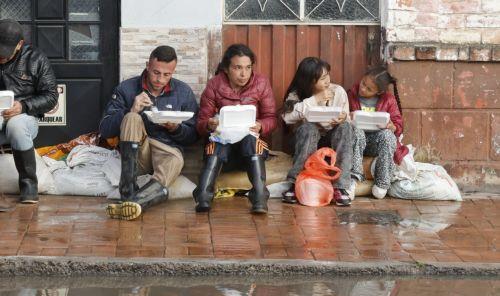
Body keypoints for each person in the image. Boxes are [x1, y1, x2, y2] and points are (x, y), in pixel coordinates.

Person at [99, 45, 198, 220]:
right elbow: (105, 129)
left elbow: (193, 136)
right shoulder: (127, 88)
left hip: (167, 150)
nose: (160, 79)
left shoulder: (183, 92)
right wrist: (132, 109)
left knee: (176, 159)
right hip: (139, 151)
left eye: (167, 75)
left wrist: (176, 128)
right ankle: (127, 190)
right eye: (156, 72)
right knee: (131, 118)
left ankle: (135, 203)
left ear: (173, 72)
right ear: (147, 65)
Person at [193, 44, 277, 214]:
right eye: (238, 68)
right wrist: (209, 124)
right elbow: (201, 122)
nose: (243, 74)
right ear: (226, 68)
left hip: (251, 151)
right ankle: (203, 197)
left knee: (251, 140)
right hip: (224, 153)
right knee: (218, 142)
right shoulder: (214, 85)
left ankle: (260, 197)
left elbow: (271, 117)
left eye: (247, 68)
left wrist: (261, 125)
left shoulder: (261, 83)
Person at [0, 19, 58, 204]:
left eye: (6, 53)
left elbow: (51, 96)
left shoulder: (36, 58)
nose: (2, 57)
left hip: (24, 117)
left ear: (20, 44)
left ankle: (29, 186)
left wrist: (23, 106)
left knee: (17, 126)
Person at [281, 57, 353, 206]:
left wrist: (342, 118)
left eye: (327, 76)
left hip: (330, 141)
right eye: (322, 79)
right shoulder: (296, 94)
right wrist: (315, 99)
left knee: (346, 127)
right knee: (309, 128)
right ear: (309, 81)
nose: (327, 81)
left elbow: (347, 119)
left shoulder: (338, 91)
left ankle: (340, 187)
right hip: (305, 141)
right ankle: (296, 183)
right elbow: (287, 117)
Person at [347, 66, 404, 199]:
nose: (363, 89)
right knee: (358, 132)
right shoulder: (350, 94)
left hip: (375, 143)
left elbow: (398, 124)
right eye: (363, 83)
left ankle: (382, 183)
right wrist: (347, 117)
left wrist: (392, 126)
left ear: (379, 92)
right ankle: (353, 180)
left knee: (388, 136)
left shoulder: (388, 100)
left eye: (369, 89)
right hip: (355, 141)